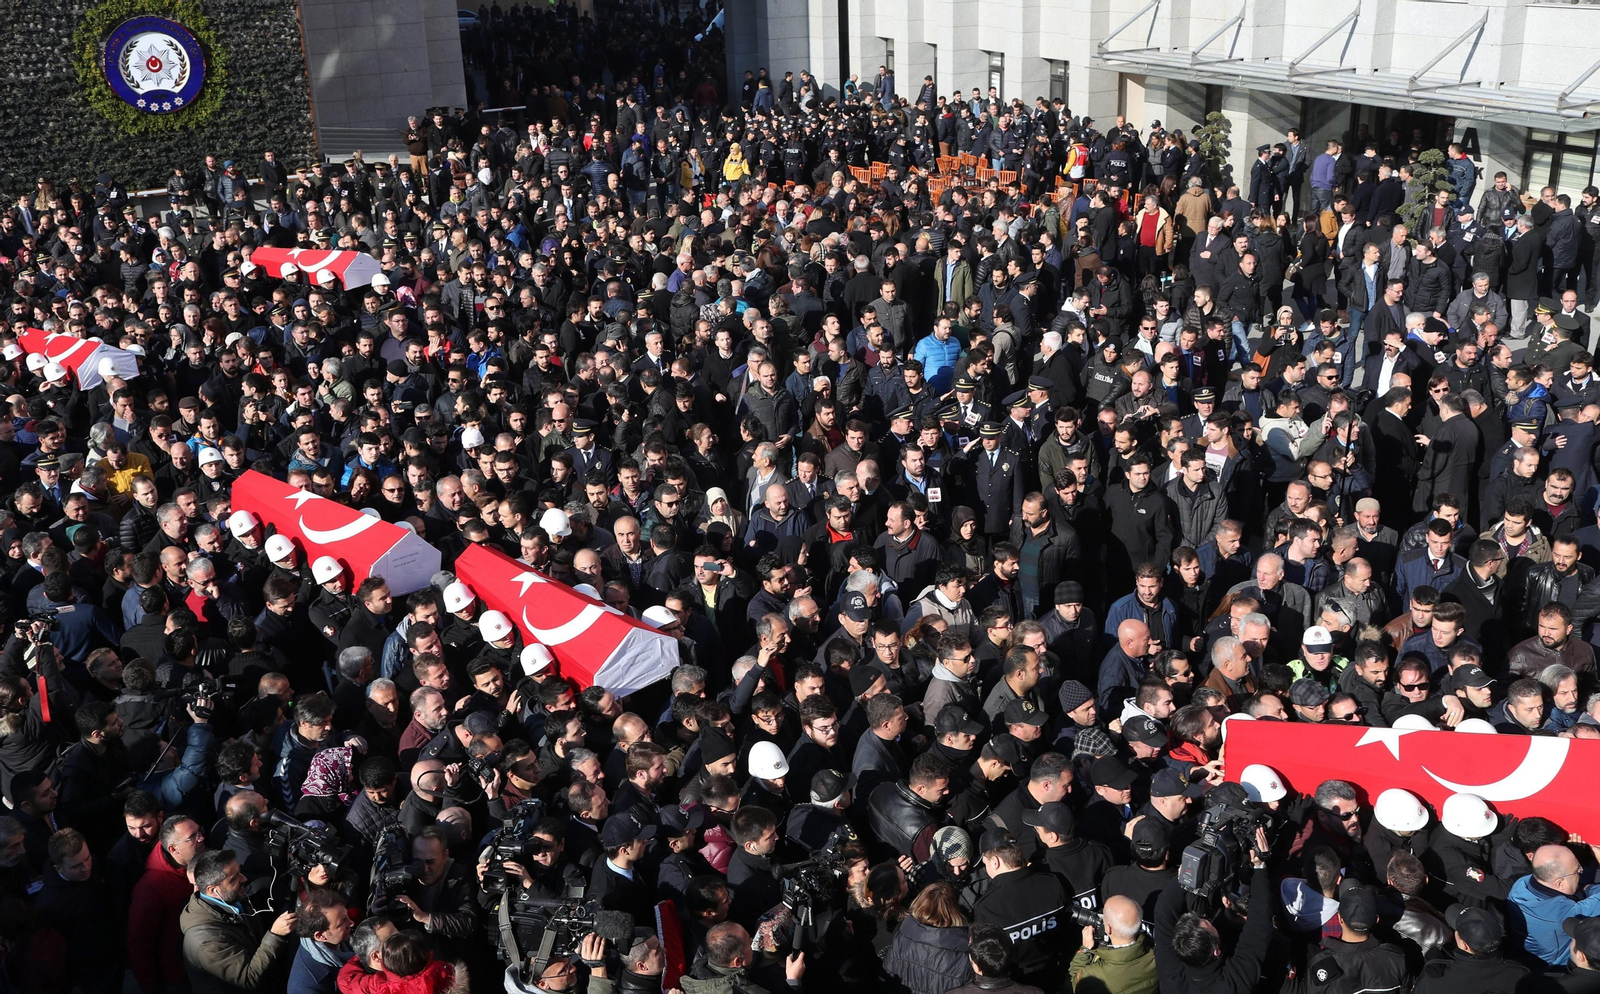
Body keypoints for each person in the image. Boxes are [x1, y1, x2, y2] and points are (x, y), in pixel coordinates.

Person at [179, 849, 296, 994]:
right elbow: (248, 978)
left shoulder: (231, 900)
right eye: (233, 879)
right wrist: (275, 935)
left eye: (239, 872)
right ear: (212, 890)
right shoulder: (206, 941)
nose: (244, 879)